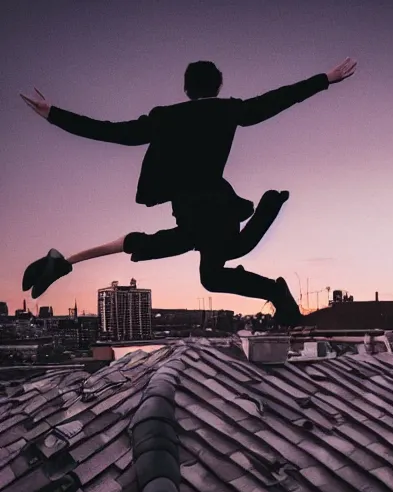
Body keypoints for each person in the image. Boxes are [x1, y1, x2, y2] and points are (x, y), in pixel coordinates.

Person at [20, 57, 357, 327]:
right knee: (213, 266)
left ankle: (64, 263)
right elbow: (276, 100)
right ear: (218, 85)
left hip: (195, 214)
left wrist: (54, 115)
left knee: (199, 263)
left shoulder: (164, 118)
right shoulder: (228, 109)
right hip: (219, 210)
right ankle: (62, 263)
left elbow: (112, 132)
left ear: (186, 89)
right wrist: (324, 79)